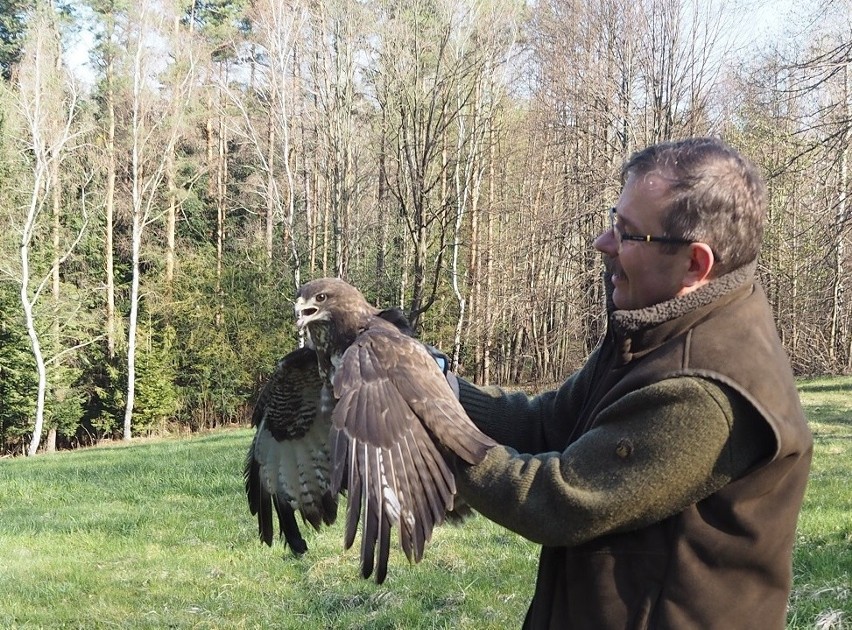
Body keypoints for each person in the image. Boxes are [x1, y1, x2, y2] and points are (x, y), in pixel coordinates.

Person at [446, 137, 813, 629]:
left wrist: (436, 433)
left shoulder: (704, 390)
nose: (603, 244)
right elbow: (547, 423)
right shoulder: (658, 327)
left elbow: (561, 501)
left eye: (627, 233)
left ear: (695, 265)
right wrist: (435, 383)